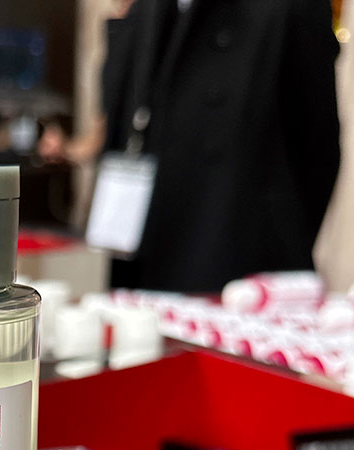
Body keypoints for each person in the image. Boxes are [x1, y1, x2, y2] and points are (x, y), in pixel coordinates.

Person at [98, 0, 341, 293]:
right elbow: (121, 114)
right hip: (147, 253)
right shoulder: (147, 9)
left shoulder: (288, 8)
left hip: (235, 262)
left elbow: (316, 150)